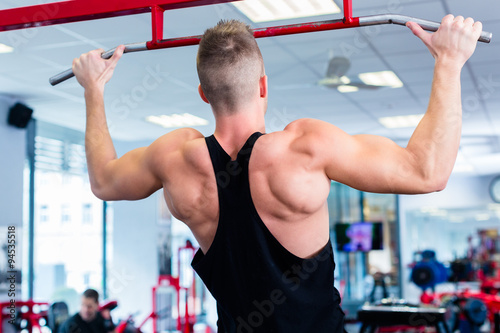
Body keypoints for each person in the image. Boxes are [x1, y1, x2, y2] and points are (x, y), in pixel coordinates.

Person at [72, 15, 482, 332]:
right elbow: (427, 172)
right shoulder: (305, 147)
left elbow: (104, 181)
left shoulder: (174, 158)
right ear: (263, 86)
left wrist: (94, 90)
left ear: (204, 94)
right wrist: (449, 61)